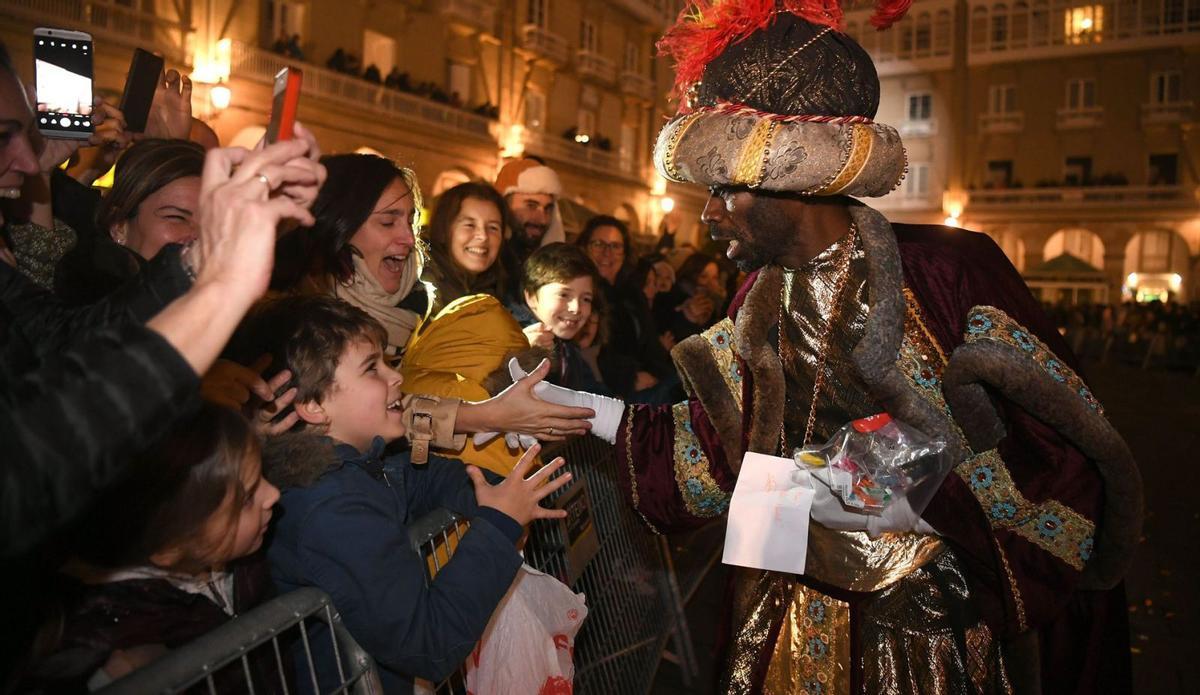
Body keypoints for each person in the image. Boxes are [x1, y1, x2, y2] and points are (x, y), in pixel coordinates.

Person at [520, 5, 1141, 691]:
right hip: (786, 609)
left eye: (727, 190)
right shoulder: (756, 300)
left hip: (917, 631)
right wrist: (568, 405)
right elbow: (710, 445)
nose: (709, 214)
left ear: (796, 178)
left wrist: (918, 502)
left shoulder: (944, 275)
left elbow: (1062, 451)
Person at [258, 295, 572, 694]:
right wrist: (498, 525)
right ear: (312, 405)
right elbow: (427, 641)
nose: (396, 377)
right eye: (372, 368)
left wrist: (491, 490)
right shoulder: (332, 507)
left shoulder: (361, 464)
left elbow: (419, 475)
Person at [20, 405, 282, 693]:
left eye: (263, 474)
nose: (274, 493)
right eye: (246, 498)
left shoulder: (234, 562)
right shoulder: (112, 639)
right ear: (172, 545)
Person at [57, 138, 205, 304]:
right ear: (119, 227)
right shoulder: (92, 303)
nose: (198, 236)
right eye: (177, 218)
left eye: (211, 223)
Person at [576, 215, 678, 402]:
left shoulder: (633, 294)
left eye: (615, 246)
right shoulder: (581, 294)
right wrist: (630, 379)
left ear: (625, 253)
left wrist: (654, 372)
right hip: (607, 394)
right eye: (598, 244)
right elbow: (585, 353)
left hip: (648, 385)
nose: (607, 253)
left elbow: (650, 344)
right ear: (584, 248)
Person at [520, 242, 608, 394]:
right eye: (564, 295)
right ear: (532, 297)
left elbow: (597, 398)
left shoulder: (570, 352)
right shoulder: (508, 341)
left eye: (586, 299)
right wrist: (520, 356)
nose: (576, 308)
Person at [420, 181, 510, 314]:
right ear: (443, 231)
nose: (483, 236)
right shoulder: (420, 289)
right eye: (469, 225)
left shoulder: (504, 292)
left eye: (493, 227)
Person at [494, 158, 565, 313]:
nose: (542, 219)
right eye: (531, 206)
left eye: (548, 208)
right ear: (505, 206)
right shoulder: (489, 260)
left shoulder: (551, 264)